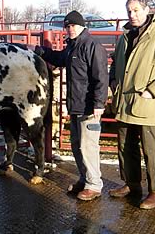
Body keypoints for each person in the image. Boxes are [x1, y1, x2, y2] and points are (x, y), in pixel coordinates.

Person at [108, 0, 155, 209]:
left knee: (152, 148)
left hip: (145, 101)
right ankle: (131, 184)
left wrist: (153, 90)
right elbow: (115, 62)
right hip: (124, 101)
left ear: (147, 10)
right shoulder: (124, 37)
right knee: (125, 146)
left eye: (136, 10)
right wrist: (114, 80)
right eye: (129, 11)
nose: (132, 15)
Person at [33, 10, 109, 201]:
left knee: (88, 145)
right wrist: (41, 52)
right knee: (76, 145)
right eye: (67, 26)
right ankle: (85, 179)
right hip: (76, 105)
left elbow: (101, 77)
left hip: (89, 106)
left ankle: (94, 184)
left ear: (82, 25)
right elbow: (60, 59)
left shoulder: (92, 46)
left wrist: (99, 103)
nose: (69, 29)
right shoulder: (72, 47)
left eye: (72, 25)